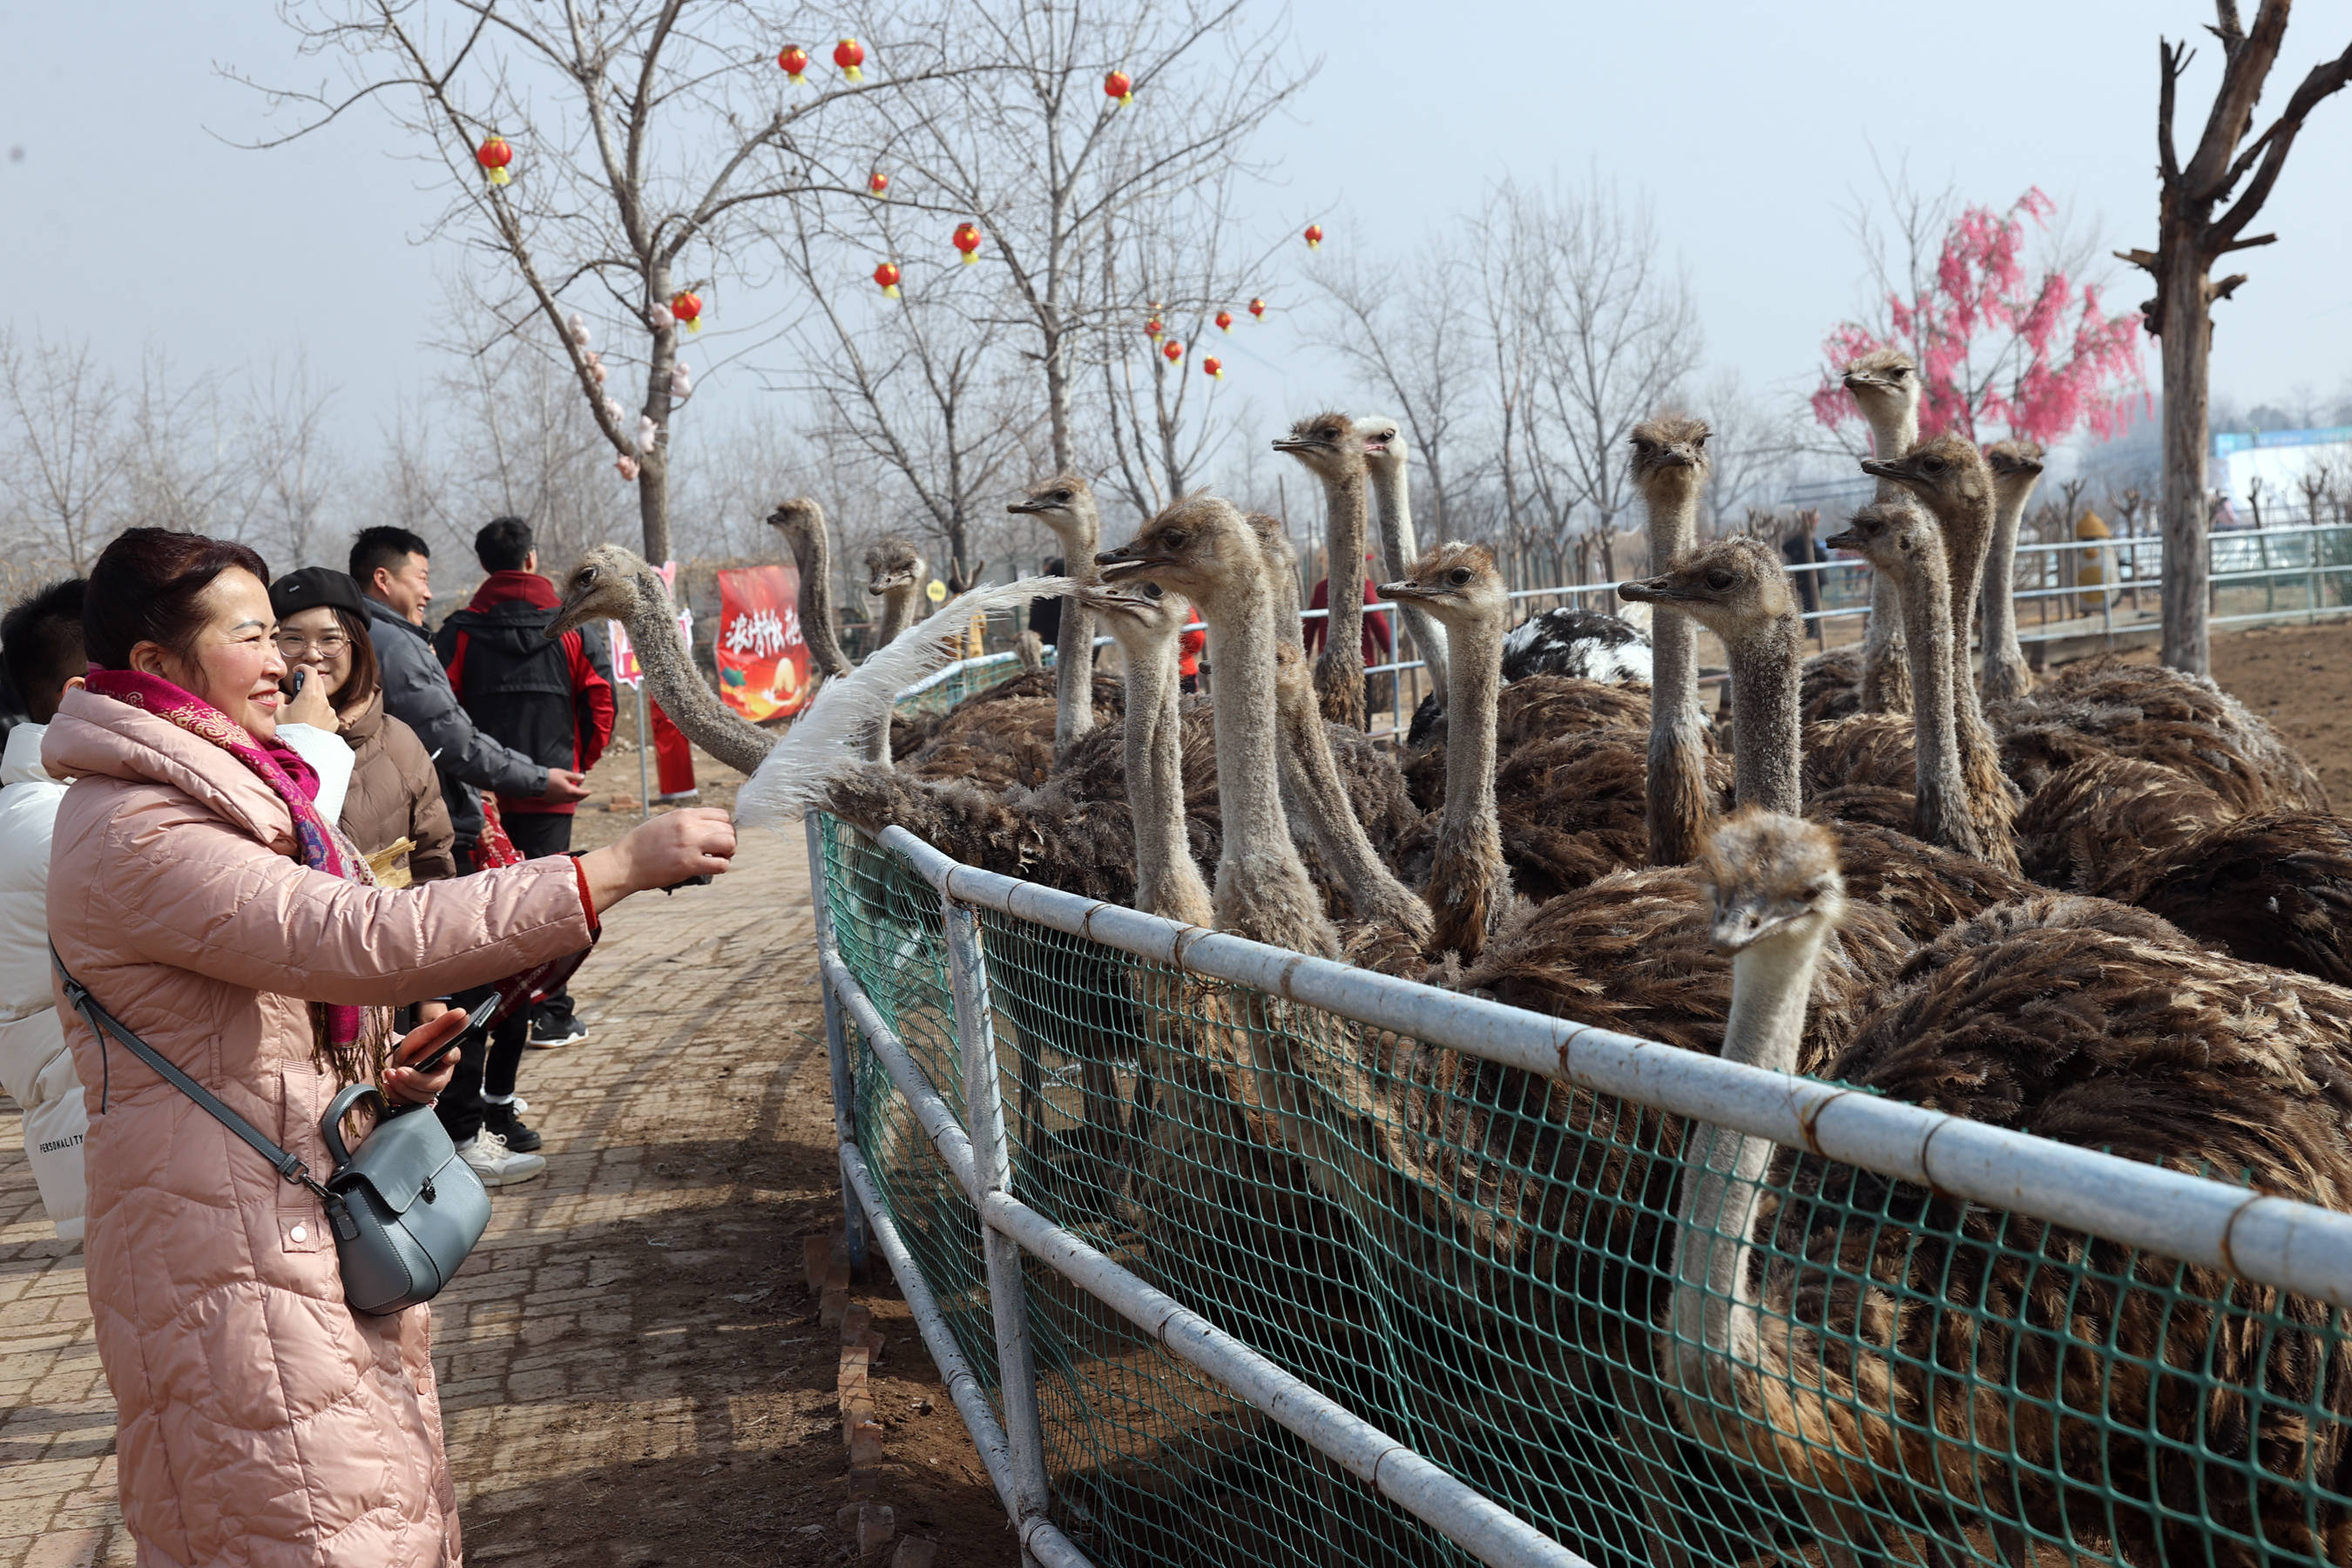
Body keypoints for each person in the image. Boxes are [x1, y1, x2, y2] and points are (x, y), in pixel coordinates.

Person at [46, 527, 734, 1566]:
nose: (286, 664)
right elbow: (355, 939)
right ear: (155, 669)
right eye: (251, 638)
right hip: (226, 1254)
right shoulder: (140, 828)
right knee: (311, 1529)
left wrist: (375, 1070)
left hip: (281, 1215)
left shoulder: (242, 803)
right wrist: (602, 875)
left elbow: (279, 996)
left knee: (361, 1514)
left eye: (281, 634)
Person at [435, 517, 614, 1049]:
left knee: (490, 901)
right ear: (532, 560)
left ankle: (495, 1007)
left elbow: (443, 712)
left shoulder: (459, 631)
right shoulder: (573, 627)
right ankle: (552, 1010)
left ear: (486, 565)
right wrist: (578, 765)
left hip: (479, 797)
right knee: (552, 896)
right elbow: (601, 700)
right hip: (554, 787)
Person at [350, 524, 590, 860]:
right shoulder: (398, 647)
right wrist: (563, 768)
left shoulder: (448, 632)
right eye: (422, 578)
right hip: (519, 786)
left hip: (477, 788)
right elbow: (449, 737)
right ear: (382, 579)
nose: (428, 593)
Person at [269, 565, 456, 889]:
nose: (312, 654)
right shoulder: (248, 738)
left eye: (331, 640)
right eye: (293, 639)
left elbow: (432, 861)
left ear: (358, 648)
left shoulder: (400, 742)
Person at [0, 578, 90, 1240]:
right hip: (116, 1131)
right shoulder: (62, 824)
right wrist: (310, 749)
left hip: (101, 1123)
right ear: (82, 696)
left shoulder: (49, 809)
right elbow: (255, 904)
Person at [1028, 557, 1065, 650]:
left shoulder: (1041, 587)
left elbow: (1034, 619)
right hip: (1060, 639)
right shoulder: (1069, 593)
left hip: (1043, 640)